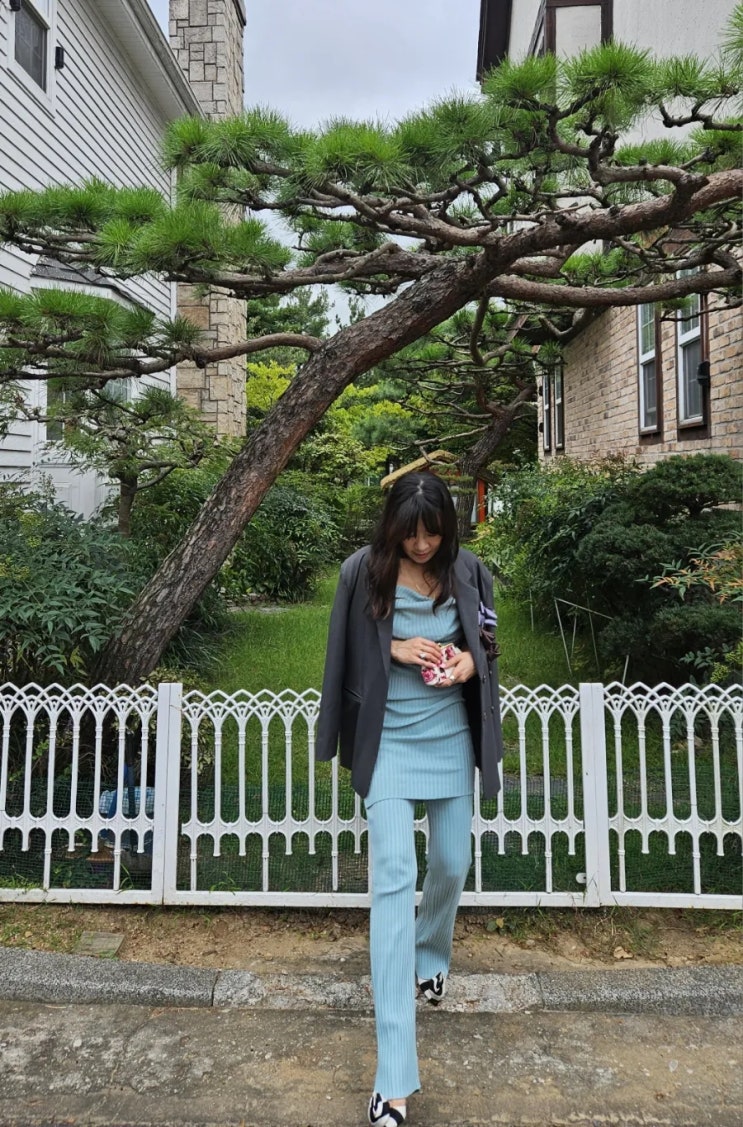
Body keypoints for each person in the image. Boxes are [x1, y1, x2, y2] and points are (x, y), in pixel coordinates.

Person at [316, 471, 503, 1126]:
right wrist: (395, 647)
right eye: (411, 534)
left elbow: (489, 637)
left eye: (433, 533)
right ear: (391, 527)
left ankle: (430, 953)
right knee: (393, 878)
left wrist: (469, 662)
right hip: (389, 743)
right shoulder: (361, 572)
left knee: (451, 862)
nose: (422, 545)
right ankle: (392, 1077)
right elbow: (342, 651)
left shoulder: (469, 571)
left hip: (449, 737)